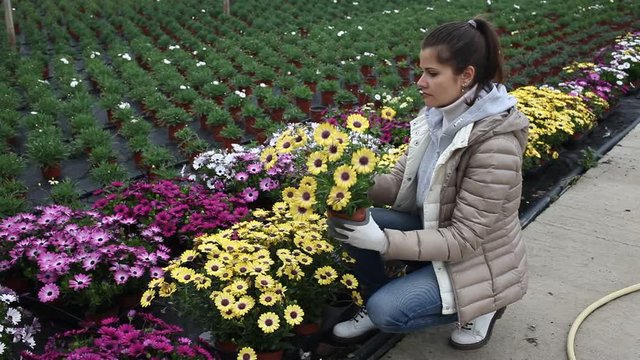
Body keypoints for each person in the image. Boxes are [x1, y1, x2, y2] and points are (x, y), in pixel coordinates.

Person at [328, 17, 529, 350]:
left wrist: (383, 242)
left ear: (466, 76)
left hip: (474, 260)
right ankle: (375, 296)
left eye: (432, 74)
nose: (420, 82)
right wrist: (349, 180)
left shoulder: (495, 144)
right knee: (347, 219)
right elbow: (398, 184)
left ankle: (485, 304)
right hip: (434, 229)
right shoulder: (435, 117)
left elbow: (465, 239)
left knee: (387, 312)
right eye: (420, 71)